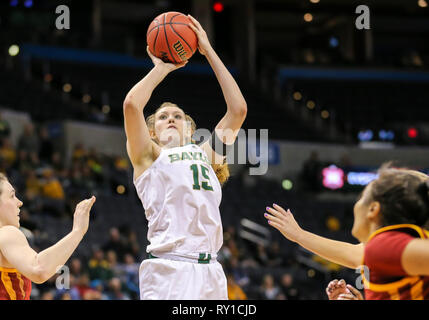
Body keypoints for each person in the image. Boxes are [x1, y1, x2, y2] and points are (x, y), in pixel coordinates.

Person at [123, 15, 247, 300]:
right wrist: (162, 68)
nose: (171, 119)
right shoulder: (148, 156)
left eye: (177, 116)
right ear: (152, 131)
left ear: (190, 129)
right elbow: (131, 105)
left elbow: (238, 110)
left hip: (212, 270)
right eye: (163, 116)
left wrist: (208, 50)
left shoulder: (205, 154)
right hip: (170, 268)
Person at [264, 164, 429, 299]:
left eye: (362, 197)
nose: (356, 204)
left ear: (373, 209)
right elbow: (352, 254)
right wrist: (299, 235)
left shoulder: (384, 246)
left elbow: (354, 254)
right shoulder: (384, 252)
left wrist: (299, 236)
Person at [0, 172, 95, 300]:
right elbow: (39, 269)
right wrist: (78, 231)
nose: (19, 202)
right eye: (12, 196)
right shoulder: (6, 233)